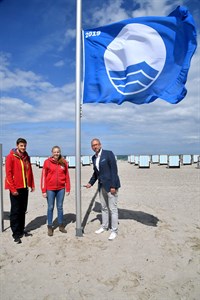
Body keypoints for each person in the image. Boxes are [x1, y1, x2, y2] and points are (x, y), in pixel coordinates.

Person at [86, 138, 120, 241]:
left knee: (113, 209)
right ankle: (104, 227)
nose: (95, 147)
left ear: (100, 145)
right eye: (93, 145)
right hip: (101, 186)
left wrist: (113, 186)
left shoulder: (108, 154)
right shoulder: (93, 158)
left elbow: (114, 171)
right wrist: (90, 183)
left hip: (111, 186)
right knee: (104, 208)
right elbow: (96, 173)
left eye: (96, 145)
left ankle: (114, 231)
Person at [5, 138, 35, 244]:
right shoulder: (10, 157)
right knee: (15, 211)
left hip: (24, 187)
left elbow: (29, 171)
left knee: (23, 210)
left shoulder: (26, 156)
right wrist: (13, 189)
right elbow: (8, 174)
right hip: (15, 188)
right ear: (17, 145)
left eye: (25, 146)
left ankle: (22, 230)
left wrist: (31, 184)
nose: (23, 147)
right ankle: (16, 234)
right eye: (21, 145)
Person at [41, 146, 71, 236]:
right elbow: (43, 177)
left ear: (60, 152)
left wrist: (68, 188)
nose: (56, 153)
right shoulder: (47, 162)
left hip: (61, 189)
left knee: (60, 207)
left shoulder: (64, 162)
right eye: (55, 152)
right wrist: (43, 190)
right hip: (50, 189)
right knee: (50, 207)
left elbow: (67, 176)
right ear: (52, 153)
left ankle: (61, 225)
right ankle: (50, 226)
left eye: (58, 152)